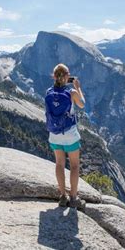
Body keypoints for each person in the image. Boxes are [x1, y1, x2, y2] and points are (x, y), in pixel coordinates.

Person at [45, 63, 86, 210]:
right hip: (69, 134)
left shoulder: (48, 92)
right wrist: (78, 88)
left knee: (59, 164)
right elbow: (82, 104)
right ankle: (74, 198)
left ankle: (62, 196)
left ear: (54, 76)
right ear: (67, 76)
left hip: (54, 134)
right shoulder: (71, 92)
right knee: (74, 166)